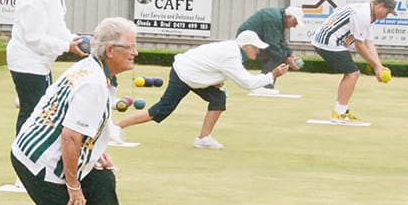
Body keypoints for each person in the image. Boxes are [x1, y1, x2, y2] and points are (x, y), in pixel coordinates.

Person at [0, 17, 140, 205]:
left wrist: (96, 153)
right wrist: (74, 186)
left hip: (48, 149)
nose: (135, 52)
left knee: (102, 180)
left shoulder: (95, 70)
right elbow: (70, 137)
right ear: (110, 50)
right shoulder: (93, 83)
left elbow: (81, 123)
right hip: (39, 159)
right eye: (130, 47)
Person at [115, 30, 290, 149]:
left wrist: (215, 80)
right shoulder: (231, 55)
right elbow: (247, 84)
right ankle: (116, 126)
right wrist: (272, 75)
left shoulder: (232, 49)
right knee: (160, 110)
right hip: (184, 73)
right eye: (256, 48)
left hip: (195, 75)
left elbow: (211, 64)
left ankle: (203, 138)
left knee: (218, 98)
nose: (258, 52)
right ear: (247, 46)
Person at [7, 0, 87, 133]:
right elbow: (34, 38)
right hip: (27, 63)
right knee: (33, 113)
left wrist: (73, 38)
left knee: (39, 111)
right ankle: (23, 148)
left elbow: (57, 28)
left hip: (39, 63)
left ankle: (27, 147)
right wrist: (67, 46)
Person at [310, 0, 396, 123]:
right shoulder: (363, 15)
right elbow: (359, 45)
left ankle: (342, 111)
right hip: (327, 42)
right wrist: (376, 66)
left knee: (352, 73)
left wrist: (379, 66)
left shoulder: (369, 15)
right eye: (387, 12)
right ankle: (338, 113)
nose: (386, 16)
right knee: (353, 74)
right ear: (380, 6)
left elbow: (369, 43)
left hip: (332, 41)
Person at [237, 4, 303, 95]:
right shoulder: (274, 19)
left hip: (254, 39)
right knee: (276, 56)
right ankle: (263, 87)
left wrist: (290, 55)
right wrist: (287, 59)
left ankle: (263, 86)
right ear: (288, 16)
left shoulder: (279, 19)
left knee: (277, 56)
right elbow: (273, 45)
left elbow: (280, 41)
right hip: (246, 40)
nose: (295, 26)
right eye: (295, 22)